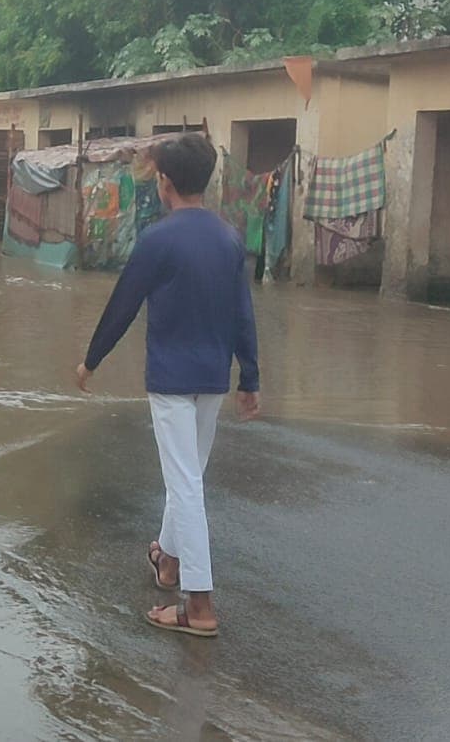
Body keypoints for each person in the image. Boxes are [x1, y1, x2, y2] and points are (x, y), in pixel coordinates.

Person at [74, 132, 261, 639]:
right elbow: (243, 312)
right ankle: (168, 561)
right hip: (212, 381)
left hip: (172, 381)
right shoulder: (227, 238)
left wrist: (91, 361)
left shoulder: (157, 239)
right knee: (189, 475)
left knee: (185, 485)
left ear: (165, 182)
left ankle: (198, 607)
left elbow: (123, 305)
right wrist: (251, 375)